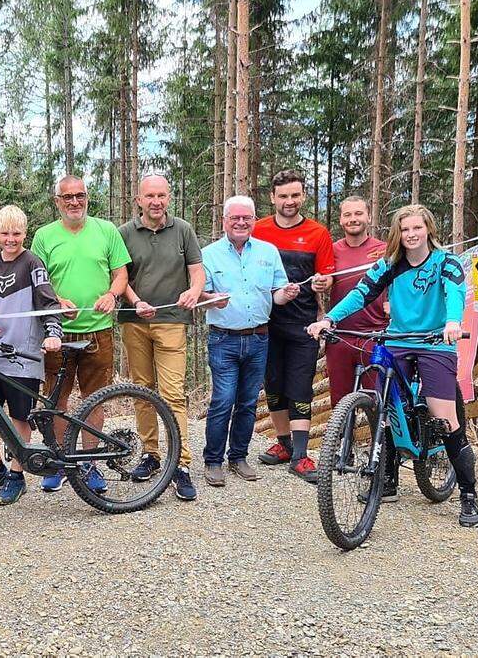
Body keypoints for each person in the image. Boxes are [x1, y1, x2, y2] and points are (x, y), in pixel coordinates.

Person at [307, 204, 478, 528]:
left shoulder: (447, 262)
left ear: (429, 229)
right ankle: (386, 479)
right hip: (398, 339)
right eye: (405, 230)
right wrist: (329, 318)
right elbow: (361, 294)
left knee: (444, 418)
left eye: (417, 228)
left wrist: (453, 321)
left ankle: (469, 493)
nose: (411, 235)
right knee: (382, 404)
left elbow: (454, 294)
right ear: (397, 234)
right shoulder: (389, 264)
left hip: (434, 342)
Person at [31, 174, 130, 493]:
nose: (75, 202)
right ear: (57, 202)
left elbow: (121, 273)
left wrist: (112, 295)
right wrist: (56, 301)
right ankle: (61, 462)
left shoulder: (106, 230)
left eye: (80, 195)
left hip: (98, 332)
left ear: (87, 197)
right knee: (56, 399)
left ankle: (89, 464)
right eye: (68, 197)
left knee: (95, 399)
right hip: (55, 333)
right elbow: (37, 280)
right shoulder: (44, 236)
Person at [0, 204, 63, 506]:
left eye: (17, 234)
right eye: (5, 233)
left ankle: (16, 473)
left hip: (24, 354)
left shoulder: (33, 263)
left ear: (25, 234)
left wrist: (53, 334)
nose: (11, 239)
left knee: (19, 415)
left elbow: (49, 303)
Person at [201, 196, 299, 487]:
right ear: (224, 221)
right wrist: (212, 301)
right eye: (235, 218)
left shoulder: (268, 252)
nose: (241, 222)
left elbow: (277, 294)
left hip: (259, 338)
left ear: (254, 220)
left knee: (247, 403)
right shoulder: (209, 254)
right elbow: (201, 297)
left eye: (247, 218)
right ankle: (213, 461)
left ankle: (239, 457)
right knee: (223, 400)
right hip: (223, 339)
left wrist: (287, 294)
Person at [118, 175, 205, 501]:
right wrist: (135, 300)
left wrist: (194, 292)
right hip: (134, 322)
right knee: (142, 391)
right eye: (150, 196)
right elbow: (119, 276)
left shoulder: (182, 229)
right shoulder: (125, 233)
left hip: (172, 322)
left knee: (172, 394)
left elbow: (197, 271)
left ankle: (180, 464)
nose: (156, 201)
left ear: (169, 197)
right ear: (139, 199)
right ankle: (151, 454)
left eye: (162, 195)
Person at [253, 169, 334, 482]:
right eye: (283, 196)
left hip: (303, 325)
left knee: (300, 386)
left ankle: (301, 455)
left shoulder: (318, 233)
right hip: (265, 323)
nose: (289, 201)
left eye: (295, 195)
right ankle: (283, 443)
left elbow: (326, 279)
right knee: (273, 385)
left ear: (303, 196)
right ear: (272, 197)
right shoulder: (258, 230)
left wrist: (323, 283)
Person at [326, 196, 397, 501]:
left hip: (375, 334)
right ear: (340, 220)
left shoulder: (384, 249)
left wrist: (392, 301)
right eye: (347, 214)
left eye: (358, 213)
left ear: (369, 216)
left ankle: (384, 468)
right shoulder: (332, 250)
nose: (353, 219)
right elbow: (326, 282)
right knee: (340, 400)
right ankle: (342, 456)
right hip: (341, 334)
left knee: (377, 403)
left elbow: (397, 277)